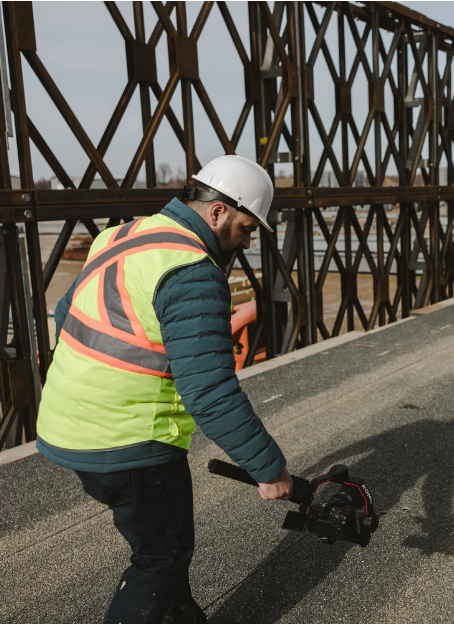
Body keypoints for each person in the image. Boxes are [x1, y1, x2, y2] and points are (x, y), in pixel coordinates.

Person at [36, 155, 292, 623]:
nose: (247, 241)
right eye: (246, 227)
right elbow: (210, 391)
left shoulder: (119, 236)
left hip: (66, 422)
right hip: (130, 439)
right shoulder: (192, 268)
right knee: (161, 557)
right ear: (217, 212)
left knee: (166, 544)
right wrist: (269, 469)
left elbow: (65, 315)